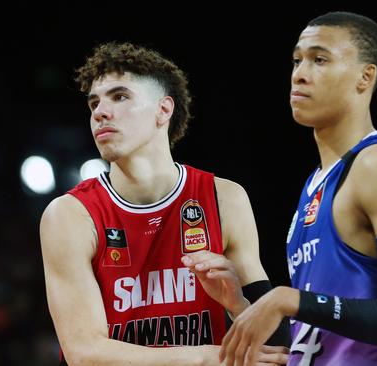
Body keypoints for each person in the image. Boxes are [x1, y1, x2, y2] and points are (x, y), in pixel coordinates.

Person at [40, 42, 288, 365]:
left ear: (163, 110)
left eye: (119, 97)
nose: (100, 112)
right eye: (94, 103)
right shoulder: (70, 214)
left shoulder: (224, 198)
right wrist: (208, 359)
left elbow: (278, 349)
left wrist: (238, 304)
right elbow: (85, 355)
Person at [219, 11, 377, 366]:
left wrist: (289, 300)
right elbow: (319, 338)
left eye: (319, 60)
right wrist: (241, 305)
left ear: (364, 77)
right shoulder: (315, 184)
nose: (300, 74)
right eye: (296, 60)